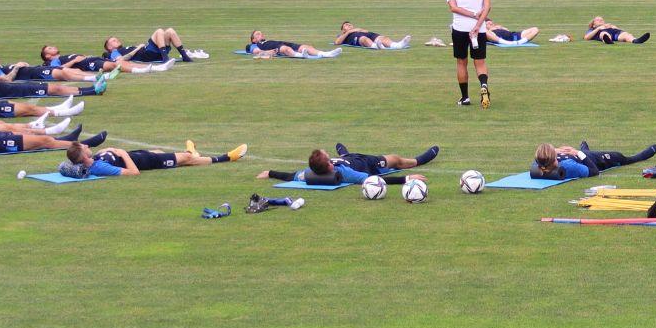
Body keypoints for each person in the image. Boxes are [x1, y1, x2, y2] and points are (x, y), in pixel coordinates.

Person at [260, 144, 438, 185]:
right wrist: (407, 178)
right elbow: (373, 180)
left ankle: (344, 152)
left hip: (348, 157)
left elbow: (290, 176)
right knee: (396, 160)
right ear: (330, 166)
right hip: (368, 162)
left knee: (345, 155)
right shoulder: (346, 174)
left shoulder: (308, 172)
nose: (326, 153)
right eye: (327, 155)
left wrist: (270, 172)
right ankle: (418, 160)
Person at [447, 0, 493, 107]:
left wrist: (471, 15)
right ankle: (484, 86)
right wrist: (478, 24)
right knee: (480, 62)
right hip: (478, 30)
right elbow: (487, 7)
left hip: (460, 28)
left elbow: (453, 8)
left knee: (461, 62)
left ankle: (465, 97)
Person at [66, 139, 245, 177]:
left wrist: (112, 149)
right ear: (83, 156)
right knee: (185, 159)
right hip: (145, 162)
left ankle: (192, 152)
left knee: (159, 150)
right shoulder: (99, 168)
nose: (87, 146)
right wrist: (122, 153)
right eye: (84, 147)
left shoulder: (95, 160)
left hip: (139, 154)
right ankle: (227, 157)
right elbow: (133, 173)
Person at [530, 141, 656, 180]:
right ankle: (639, 157)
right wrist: (578, 153)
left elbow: (540, 157)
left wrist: (558, 150)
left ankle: (585, 149)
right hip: (592, 160)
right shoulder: (569, 166)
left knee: (585, 151)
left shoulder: (540, 162)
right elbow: (594, 171)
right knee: (619, 157)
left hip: (580, 155)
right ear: (553, 158)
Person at [0, 70, 98, 99]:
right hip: (21, 91)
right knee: (54, 89)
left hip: (19, 87)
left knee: (55, 87)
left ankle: (91, 89)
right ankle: (92, 91)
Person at [102, 28, 202, 63]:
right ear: (109, 47)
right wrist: (137, 48)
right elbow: (120, 60)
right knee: (159, 31)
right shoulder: (114, 53)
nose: (117, 40)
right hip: (147, 54)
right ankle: (165, 58)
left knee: (170, 31)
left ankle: (185, 56)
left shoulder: (124, 48)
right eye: (114, 41)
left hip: (151, 51)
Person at [243, 31, 338, 58]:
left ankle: (327, 54)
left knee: (306, 47)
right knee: (286, 49)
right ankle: (302, 55)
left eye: (261, 33)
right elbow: (257, 52)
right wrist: (269, 52)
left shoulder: (266, 40)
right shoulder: (252, 45)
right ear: (253, 39)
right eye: (258, 34)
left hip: (281, 43)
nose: (261, 34)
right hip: (275, 48)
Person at [334, 22, 410, 49]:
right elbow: (337, 42)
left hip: (368, 34)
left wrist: (359, 29)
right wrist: (349, 32)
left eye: (350, 24)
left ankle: (398, 45)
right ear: (343, 30)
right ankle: (376, 46)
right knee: (363, 38)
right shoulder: (343, 35)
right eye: (346, 25)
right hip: (357, 38)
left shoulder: (357, 29)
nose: (349, 25)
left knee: (382, 38)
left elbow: (366, 31)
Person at [585, 17, 649, 44]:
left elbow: (619, 31)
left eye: (602, 19)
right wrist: (598, 28)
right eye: (597, 20)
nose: (600, 20)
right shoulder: (592, 29)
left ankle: (636, 40)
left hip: (615, 33)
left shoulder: (609, 25)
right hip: (603, 33)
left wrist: (614, 27)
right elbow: (586, 37)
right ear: (593, 25)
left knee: (626, 34)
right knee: (604, 33)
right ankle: (608, 41)